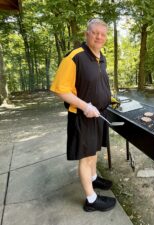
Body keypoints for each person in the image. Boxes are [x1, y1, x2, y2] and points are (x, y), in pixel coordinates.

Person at [50, 18, 116, 212]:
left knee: (93, 152)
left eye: (103, 34)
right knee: (86, 157)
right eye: (95, 32)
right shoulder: (74, 57)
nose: (99, 37)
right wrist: (85, 106)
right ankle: (91, 200)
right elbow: (60, 90)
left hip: (98, 115)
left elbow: (97, 84)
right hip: (82, 116)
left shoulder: (100, 58)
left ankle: (94, 179)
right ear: (86, 34)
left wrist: (109, 98)